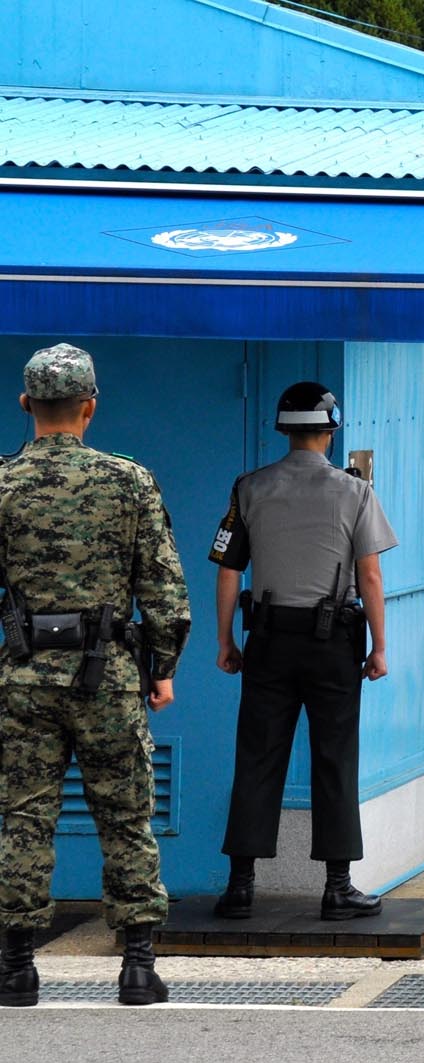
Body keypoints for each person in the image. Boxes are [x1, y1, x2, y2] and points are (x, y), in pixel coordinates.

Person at [0, 343, 191, 1008]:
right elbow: (163, 585)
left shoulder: (2, 482)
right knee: (126, 816)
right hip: (106, 674)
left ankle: (16, 965)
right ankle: (138, 965)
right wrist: (160, 667)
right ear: (90, 407)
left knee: (23, 817)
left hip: (22, 677)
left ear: (26, 405)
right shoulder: (129, 480)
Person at [208, 383, 396, 924]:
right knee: (334, 757)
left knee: (258, 754)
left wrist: (227, 641)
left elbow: (228, 569)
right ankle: (338, 887)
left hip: (267, 639)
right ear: (331, 429)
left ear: (283, 428)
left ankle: (240, 886)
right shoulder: (354, 492)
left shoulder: (249, 488)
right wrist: (379, 647)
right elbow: (370, 575)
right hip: (333, 642)